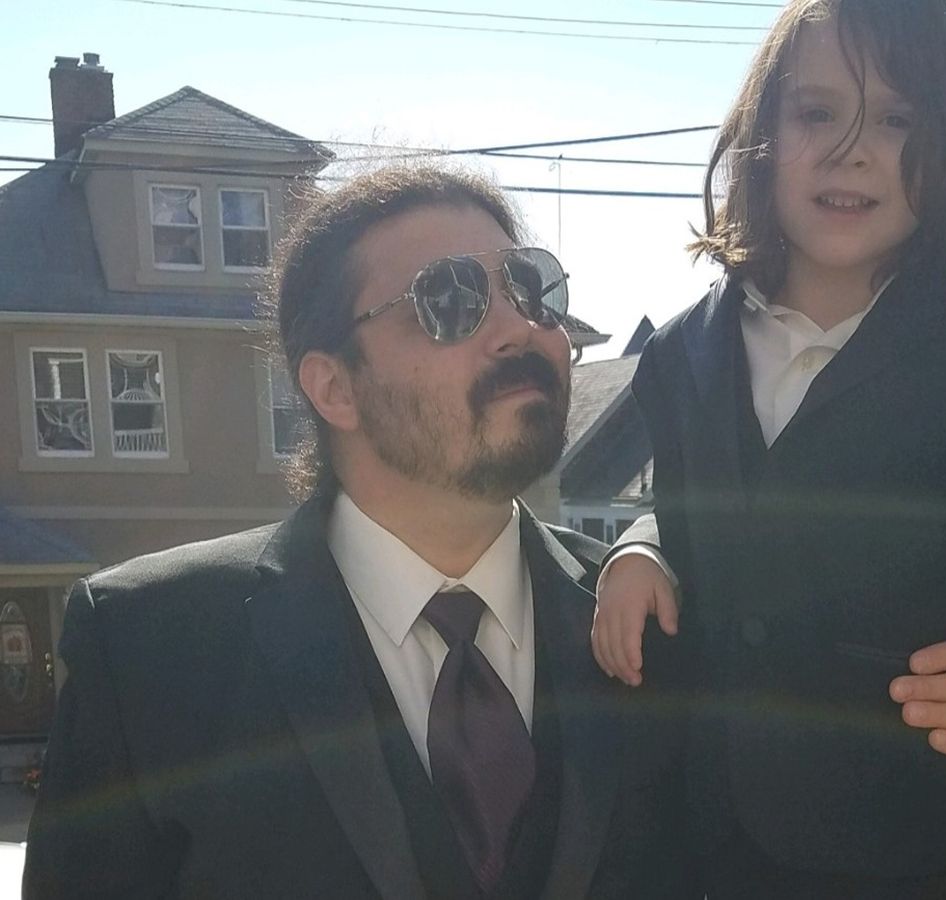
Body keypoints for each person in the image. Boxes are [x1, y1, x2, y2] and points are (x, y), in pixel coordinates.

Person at [24, 164, 693, 899]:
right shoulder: (146, 650)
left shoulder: (653, 621)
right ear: (335, 387)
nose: (518, 329)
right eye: (450, 299)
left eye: (531, 290)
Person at [591, 0, 946, 897]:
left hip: (902, 839)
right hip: (704, 837)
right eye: (817, 111)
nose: (851, 150)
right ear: (763, 131)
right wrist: (642, 546)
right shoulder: (682, 350)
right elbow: (693, 516)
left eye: (899, 118)